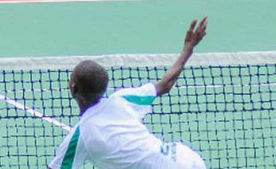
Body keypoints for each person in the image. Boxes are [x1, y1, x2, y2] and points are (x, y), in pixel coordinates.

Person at [48, 16, 209, 169]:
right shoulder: (123, 99)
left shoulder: (81, 135)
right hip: (186, 159)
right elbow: (165, 84)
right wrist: (188, 48)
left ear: (73, 88)